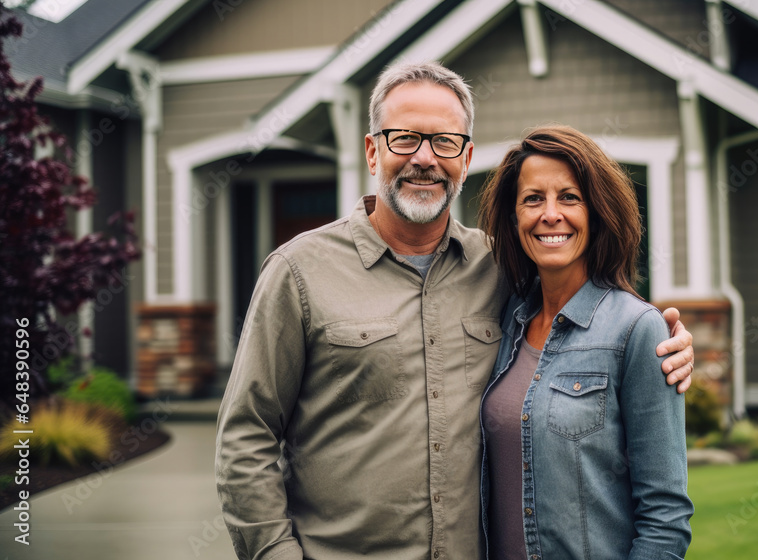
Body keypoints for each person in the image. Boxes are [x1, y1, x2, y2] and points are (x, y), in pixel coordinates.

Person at [216, 61, 694, 560]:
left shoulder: (501, 269)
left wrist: (666, 349)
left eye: (444, 141)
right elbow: (247, 434)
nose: (425, 158)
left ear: (465, 159)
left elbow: (587, 319)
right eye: (405, 138)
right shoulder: (298, 272)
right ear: (372, 150)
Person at [478, 125, 694, 559]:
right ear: (514, 217)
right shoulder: (503, 320)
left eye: (569, 197)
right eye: (533, 198)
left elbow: (665, 518)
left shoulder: (636, 330)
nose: (550, 214)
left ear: (596, 212)